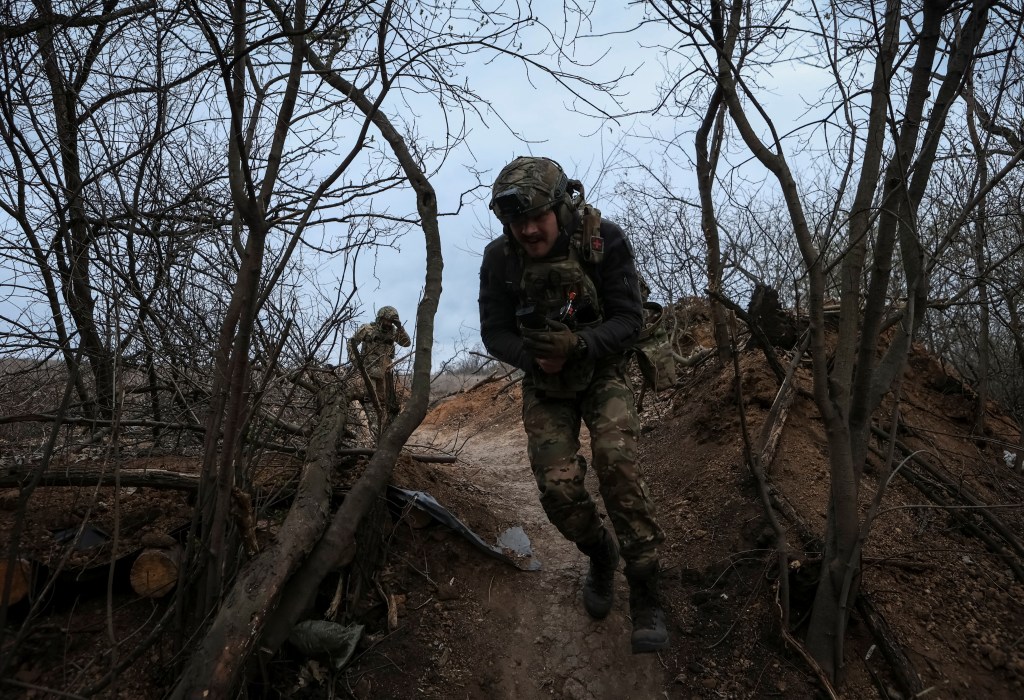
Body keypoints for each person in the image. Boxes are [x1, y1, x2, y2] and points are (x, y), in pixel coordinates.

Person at [477, 156, 668, 653]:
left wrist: (579, 346)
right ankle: (600, 554)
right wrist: (536, 360)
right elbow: (494, 331)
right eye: (516, 222)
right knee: (558, 489)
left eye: (535, 217)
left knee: (618, 465)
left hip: (601, 368)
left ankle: (646, 587)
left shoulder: (604, 241)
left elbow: (630, 320)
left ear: (561, 208)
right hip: (546, 383)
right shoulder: (500, 258)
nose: (527, 230)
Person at [347, 305, 411, 417]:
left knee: (382, 403)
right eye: (387, 320)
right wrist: (355, 361)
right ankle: (372, 428)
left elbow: (406, 343)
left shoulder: (394, 332)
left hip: (384, 372)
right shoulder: (367, 329)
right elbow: (351, 343)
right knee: (370, 401)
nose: (388, 324)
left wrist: (400, 328)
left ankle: (381, 429)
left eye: (391, 322)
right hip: (369, 371)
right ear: (380, 318)